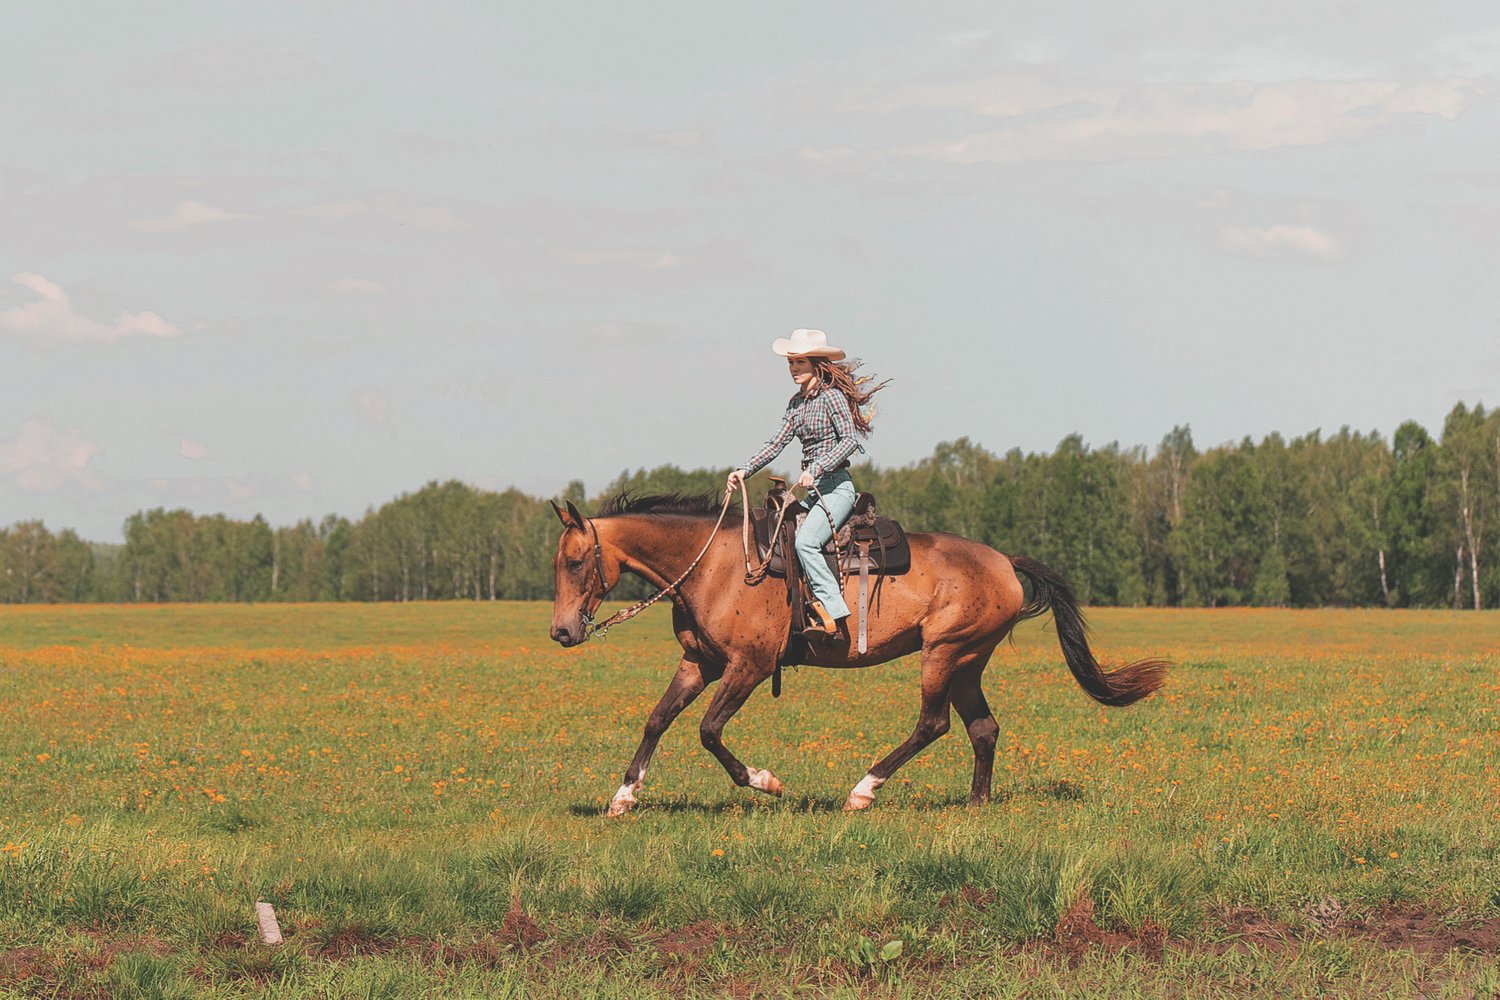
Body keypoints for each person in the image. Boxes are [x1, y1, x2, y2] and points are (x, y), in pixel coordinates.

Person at [726, 329, 887, 638]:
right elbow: (775, 443)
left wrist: (817, 467)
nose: (794, 369)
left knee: (805, 542)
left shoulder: (832, 397)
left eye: (799, 362)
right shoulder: (796, 404)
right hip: (813, 493)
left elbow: (850, 441)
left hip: (837, 488)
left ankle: (835, 613)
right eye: (791, 363)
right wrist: (744, 470)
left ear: (816, 363)